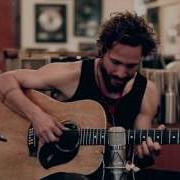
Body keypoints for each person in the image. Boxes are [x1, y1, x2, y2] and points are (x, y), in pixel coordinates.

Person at [0, 11, 170, 180]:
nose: (120, 72)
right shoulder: (72, 74)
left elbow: (137, 156)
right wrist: (38, 117)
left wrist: (145, 156)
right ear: (102, 51)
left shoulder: (147, 91)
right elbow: (5, 80)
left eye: (131, 66)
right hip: (57, 171)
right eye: (115, 62)